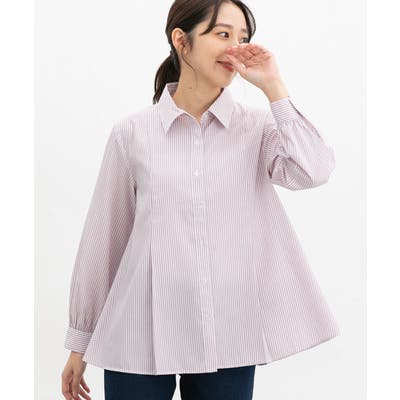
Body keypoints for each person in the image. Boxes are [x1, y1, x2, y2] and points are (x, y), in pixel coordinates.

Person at [61, 1, 340, 399]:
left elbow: (313, 170)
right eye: (223, 34)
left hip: (228, 330)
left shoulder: (257, 128)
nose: (235, 47)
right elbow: (104, 239)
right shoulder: (132, 134)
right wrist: (80, 341)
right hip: (137, 329)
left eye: (243, 37)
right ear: (182, 40)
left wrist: (274, 86)